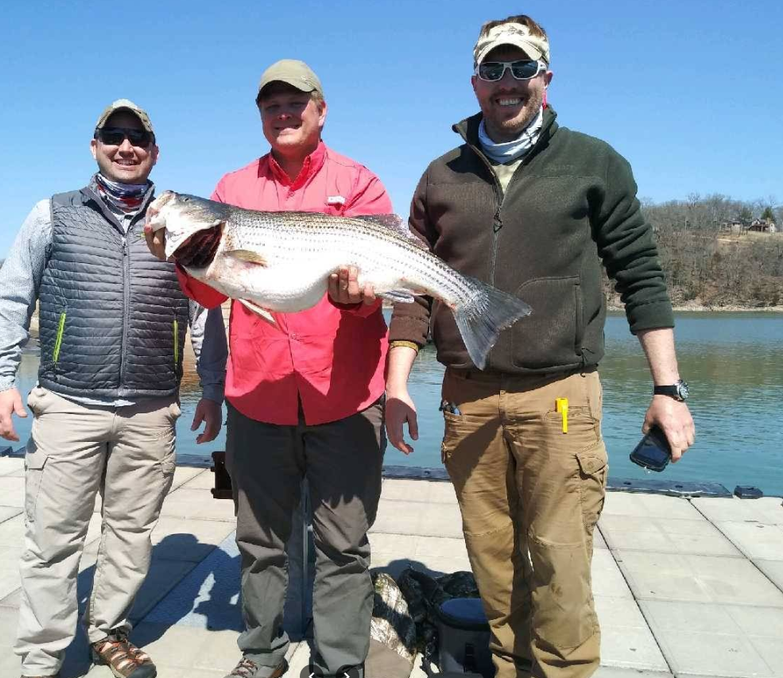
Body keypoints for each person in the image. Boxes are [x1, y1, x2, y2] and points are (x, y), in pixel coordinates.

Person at [386, 16, 695, 678]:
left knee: (558, 568)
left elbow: (641, 275)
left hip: (559, 401)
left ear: (545, 79)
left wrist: (668, 390)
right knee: (493, 568)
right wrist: (394, 386)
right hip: (466, 402)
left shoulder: (594, 162)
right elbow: (413, 292)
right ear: (475, 81)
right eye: (493, 70)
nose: (507, 82)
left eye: (521, 68)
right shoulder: (440, 176)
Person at [146, 59, 391, 678]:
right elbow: (209, 296)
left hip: (347, 397)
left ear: (320, 109)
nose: (283, 113)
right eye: (270, 105)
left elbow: (377, 302)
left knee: (344, 545)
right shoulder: (231, 190)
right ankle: (261, 656)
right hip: (257, 398)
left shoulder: (358, 182)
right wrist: (183, 259)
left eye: (295, 102)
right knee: (259, 545)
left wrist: (358, 298)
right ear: (260, 117)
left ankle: (341, 664)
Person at [0, 99, 227, 678]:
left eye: (137, 138)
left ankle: (110, 634)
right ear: (94, 147)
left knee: (131, 535)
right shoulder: (53, 213)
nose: (126, 146)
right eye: (113, 136)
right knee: (52, 541)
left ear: (154, 152)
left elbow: (205, 313)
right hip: (67, 405)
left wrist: (211, 389)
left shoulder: (183, 220)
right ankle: (41, 658)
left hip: (150, 410)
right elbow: (11, 297)